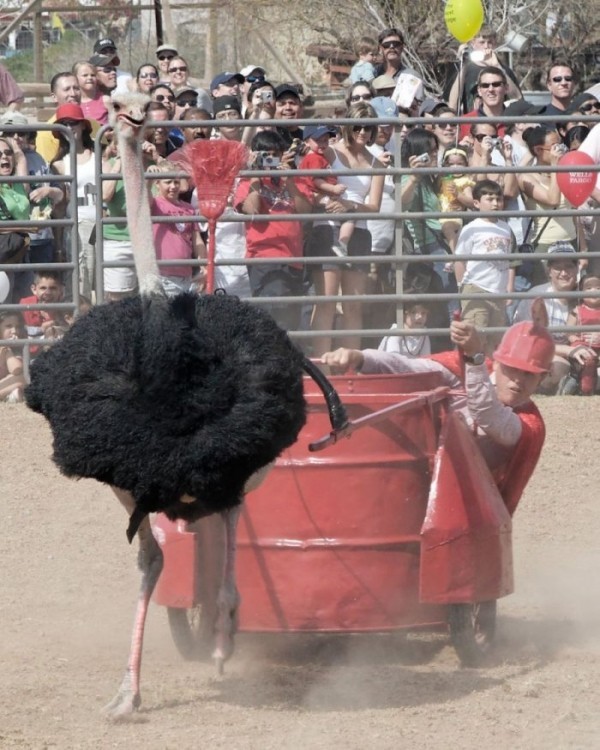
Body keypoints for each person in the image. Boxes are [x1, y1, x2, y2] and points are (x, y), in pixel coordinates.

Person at [321, 313, 554, 517]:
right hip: (419, 490)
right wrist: (360, 358)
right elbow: (408, 368)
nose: (517, 381)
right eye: (513, 369)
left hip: (472, 512)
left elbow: (487, 413)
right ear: (499, 362)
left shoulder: (529, 426)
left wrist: (474, 358)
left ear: (541, 380)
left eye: (528, 375)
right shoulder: (459, 369)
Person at [306, 102, 385, 356]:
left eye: (369, 127)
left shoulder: (377, 163)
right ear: (348, 126)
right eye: (358, 126)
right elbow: (310, 180)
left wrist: (349, 206)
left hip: (359, 231)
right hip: (326, 227)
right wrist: (329, 202)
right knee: (326, 301)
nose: (363, 132)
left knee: (353, 305)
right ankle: (320, 363)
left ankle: (351, 365)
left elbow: (374, 207)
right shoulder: (330, 152)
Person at [234, 129, 313, 331]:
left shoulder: (294, 178)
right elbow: (251, 210)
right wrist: (255, 176)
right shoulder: (247, 181)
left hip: (294, 259)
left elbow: (305, 212)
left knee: (293, 322)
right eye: (265, 155)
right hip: (264, 259)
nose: (270, 159)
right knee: (275, 320)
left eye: (274, 154)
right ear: (255, 156)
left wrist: (290, 180)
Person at [512, 242, 591, 393]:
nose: (563, 273)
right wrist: (568, 351)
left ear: (577, 269)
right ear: (549, 271)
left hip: (584, 354)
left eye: (569, 266)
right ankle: (568, 382)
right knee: (555, 369)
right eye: (557, 268)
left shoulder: (589, 297)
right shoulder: (536, 297)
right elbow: (528, 341)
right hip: (548, 354)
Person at [454, 180, 515, 354]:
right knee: (474, 336)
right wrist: (462, 287)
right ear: (476, 203)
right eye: (489, 199)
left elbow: (509, 259)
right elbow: (460, 260)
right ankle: (472, 375)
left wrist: (507, 288)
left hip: (498, 291)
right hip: (476, 288)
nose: (495, 203)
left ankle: (489, 375)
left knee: (495, 340)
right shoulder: (471, 228)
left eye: (498, 199)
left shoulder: (506, 228)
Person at [517, 125, 577, 286]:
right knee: (547, 294)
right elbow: (552, 200)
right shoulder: (526, 177)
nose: (560, 149)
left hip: (571, 241)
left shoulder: (566, 171)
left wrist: (583, 249)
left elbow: (574, 211)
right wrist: (555, 167)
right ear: (538, 150)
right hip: (545, 244)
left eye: (561, 144)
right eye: (554, 146)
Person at [51, 103, 97, 297]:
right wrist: (59, 244)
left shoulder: (98, 155)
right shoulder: (59, 164)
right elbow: (58, 209)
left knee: (104, 281)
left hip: (102, 223)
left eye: (73, 123)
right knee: (81, 285)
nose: (70, 128)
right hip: (76, 225)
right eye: (64, 124)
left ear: (83, 126)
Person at [149, 162, 206, 296]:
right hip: (162, 276)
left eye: (176, 182)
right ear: (157, 183)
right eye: (168, 182)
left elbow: (197, 240)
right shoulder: (155, 204)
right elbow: (143, 200)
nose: (173, 186)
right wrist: (148, 179)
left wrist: (204, 266)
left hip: (186, 275)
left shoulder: (188, 208)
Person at [298, 123, 353, 256]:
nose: (323, 144)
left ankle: (340, 244)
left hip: (319, 194)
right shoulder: (314, 158)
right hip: (319, 194)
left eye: (325, 140)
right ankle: (341, 244)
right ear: (307, 142)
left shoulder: (317, 157)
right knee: (350, 216)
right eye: (318, 140)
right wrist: (333, 189)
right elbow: (316, 180)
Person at [446, 26, 522, 113]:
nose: (486, 46)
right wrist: (463, 65)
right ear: (473, 44)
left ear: (494, 44)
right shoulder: (463, 69)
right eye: (482, 42)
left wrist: (497, 66)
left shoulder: (503, 69)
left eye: (490, 42)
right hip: (473, 123)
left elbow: (518, 99)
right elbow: (452, 107)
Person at [562, 274, 600, 394]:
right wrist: (575, 340)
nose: (593, 291)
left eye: (598, 288)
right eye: (588, 288)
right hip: (581, 348)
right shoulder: (577, 311)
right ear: (581, 293)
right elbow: (568, 332)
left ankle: (587, 385)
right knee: (587, 359)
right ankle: (584, 388)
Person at [437, 146, 474, 251]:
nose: (455, 167)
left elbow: (471, 202)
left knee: (447, 228)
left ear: (466, 165)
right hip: (440, 215)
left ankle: (456, 255)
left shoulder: (465, 182)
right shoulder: (442, 179)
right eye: (451, 164)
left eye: (460, 164)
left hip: (453, 217)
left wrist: (458, 194)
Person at [19, 269, 68, 344]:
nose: (48, 293)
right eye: (43, 288)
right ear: (34, 289)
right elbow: (18, 329)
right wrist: (40, 329)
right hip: (31, 350)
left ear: (61, 290)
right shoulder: (25, 305)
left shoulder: (67, 306)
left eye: (53, 288)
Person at [72, 60, 109, 125]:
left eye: (93, 75)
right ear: (75, 78)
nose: (89, 78)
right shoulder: (73, 102)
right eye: (85, 75)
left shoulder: (105, 100)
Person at [0, 310, 26, 402]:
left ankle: (9, 395)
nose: (14, 331)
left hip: (5, 384)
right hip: (4, 385)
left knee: (22, 378)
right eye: (8, 326)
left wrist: (8, 350)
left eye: (17, 327)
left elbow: (16, 369)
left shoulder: (16, 348)